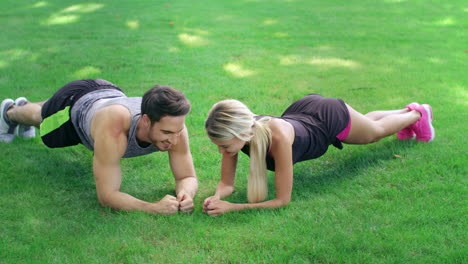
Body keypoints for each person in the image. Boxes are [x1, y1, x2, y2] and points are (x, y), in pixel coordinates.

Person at [202, 94, 434, 216]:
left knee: (375, 133)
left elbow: (282, 201)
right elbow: (226, 183)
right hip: (305, 112)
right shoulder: (239, 135)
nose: (222, 151)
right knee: (366, 123)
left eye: (223, 145)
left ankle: (417, 114)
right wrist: (217, 196)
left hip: (326, 119)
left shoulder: (278, 138)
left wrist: (234, 208)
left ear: (241, 132)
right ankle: (406, 111)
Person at [0, 79, 198, 215]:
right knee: (43, 119)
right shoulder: (114, 128)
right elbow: (107, 195)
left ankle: (26, 106)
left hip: (108, 93)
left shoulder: (174, 125)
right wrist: (152, 207)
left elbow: (186, 177)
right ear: (146, 121)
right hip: (74, 103)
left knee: (44, 113)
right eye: (166, 133)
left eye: (177, 131)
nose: (174, 140)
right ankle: (10, 112)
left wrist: (186, 194)